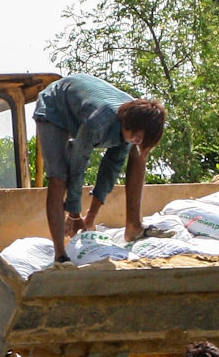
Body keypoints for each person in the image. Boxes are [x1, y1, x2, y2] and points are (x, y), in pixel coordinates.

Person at [33, 73, 166, 261]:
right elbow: (78, 162)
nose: (137, 141)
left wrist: (90, 218)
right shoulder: (100, 121)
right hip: (55, 107)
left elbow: (110, 170)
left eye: (141, 139)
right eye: (137, 137)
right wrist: (74, 214)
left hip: (85, 111)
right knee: (59, 178)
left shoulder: (134, 125)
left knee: (138, 154)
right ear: (130, 124)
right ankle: (60, 255)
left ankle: (133, 226)